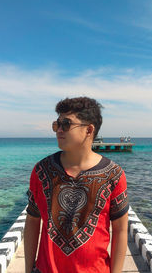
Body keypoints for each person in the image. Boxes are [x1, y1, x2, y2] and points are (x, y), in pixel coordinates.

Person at [24, 96, 129, 273]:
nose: (59, 130)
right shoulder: (42, 171)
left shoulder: (113, 174)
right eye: (57, 124)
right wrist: (28, 269)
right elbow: (33, 221)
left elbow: (120, 230)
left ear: (89, 130)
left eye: (66, 124)